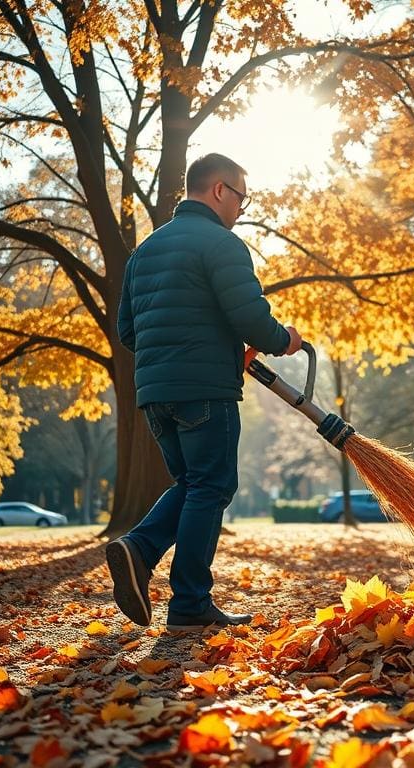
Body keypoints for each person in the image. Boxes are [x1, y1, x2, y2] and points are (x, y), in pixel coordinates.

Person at [109, 153, 302, 633]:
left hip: (155, 395)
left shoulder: (144, 253)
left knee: (194, 484)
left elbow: (128, 332)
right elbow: (249, 317)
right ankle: (188, 599)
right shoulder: (222, 243)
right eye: (241, 196)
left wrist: (191, 343)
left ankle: (141, 551)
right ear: (219, 190)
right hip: (205, 391)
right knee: (211, 486)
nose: (241, 207)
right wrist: (283, 340)